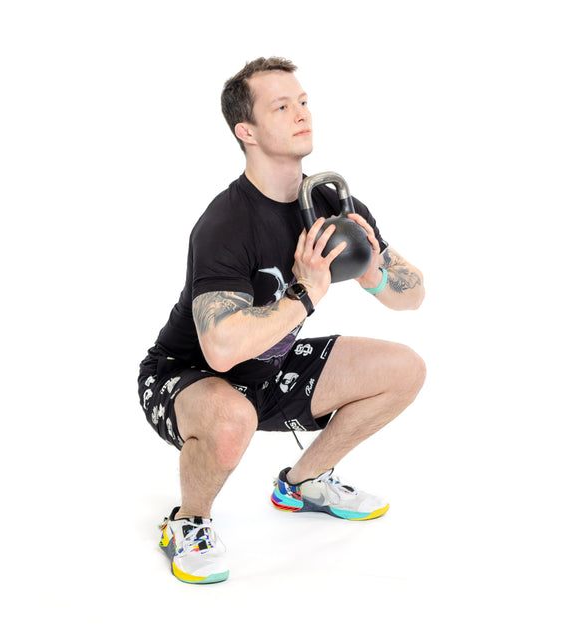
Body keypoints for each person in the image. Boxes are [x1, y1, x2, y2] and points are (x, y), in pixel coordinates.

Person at [138, 57, 426, 584]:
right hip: (187, 377)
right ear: (245, 131)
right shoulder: (225, 222)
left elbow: (413, 298)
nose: (301, 113)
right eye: (281, 106)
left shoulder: (330, 203)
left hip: (269, 369)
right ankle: (189, 521)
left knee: (404, 370)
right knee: (232, 421)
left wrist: (374, 273)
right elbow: (222, 350)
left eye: (303, 102)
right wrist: (306, 292)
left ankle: (303, 483)